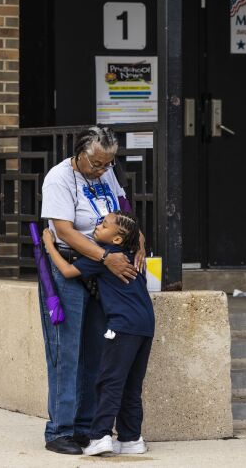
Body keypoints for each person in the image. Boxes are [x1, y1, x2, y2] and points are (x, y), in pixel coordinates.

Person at [38, 125, 145, 455]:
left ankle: (87, 428)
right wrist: (106, 256)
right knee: (67, 351)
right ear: (79, 154)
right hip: (73, 266)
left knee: (97, 350)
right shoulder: (59, 178)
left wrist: (139, 243)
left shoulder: (106, 173)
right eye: (96, 163)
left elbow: (124, 212)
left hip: (104, 273)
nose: (101, 170)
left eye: (107, 164)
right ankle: (60, 430)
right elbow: (64, 231)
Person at [43, 211, 154, 456]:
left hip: (122, 326)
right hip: (145, 325)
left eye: (103, 225)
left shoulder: (105, 257)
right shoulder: (133, 256)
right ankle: (131, 438)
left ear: (116, 240)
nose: (97, 226)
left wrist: (49, 245)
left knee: (109, 382)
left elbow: (68, 272)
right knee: (131, 385)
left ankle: (100, 435)